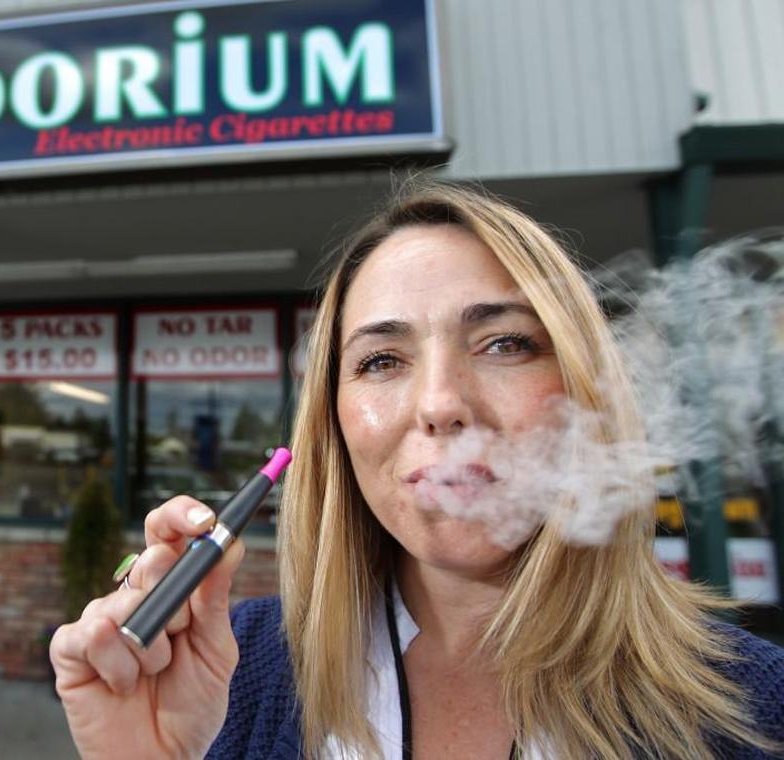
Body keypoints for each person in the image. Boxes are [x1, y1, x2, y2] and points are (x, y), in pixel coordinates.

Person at [50, 178, 784, 758]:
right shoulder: (239, 672)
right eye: (381, 361)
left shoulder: (756, 708)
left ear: (586, 389)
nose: (438, 404)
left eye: (504, 344)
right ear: (334, 425)